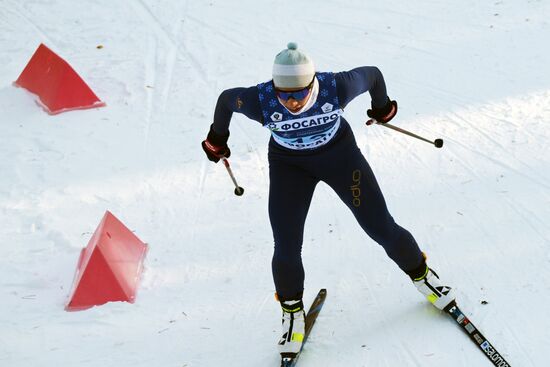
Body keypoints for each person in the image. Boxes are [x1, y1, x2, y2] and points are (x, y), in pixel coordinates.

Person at [201, 42, 455, 361]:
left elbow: (373, 75)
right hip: (289, 167)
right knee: (286, 244)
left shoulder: (337, 87)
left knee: (381, 227)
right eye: (284, 93)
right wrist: (217, 139)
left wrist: (382, 107)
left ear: (313, 83)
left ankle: (423, 276)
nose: (291, 101)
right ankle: (292, 311)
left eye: (299, 93)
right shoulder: (260, 100)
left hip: (340, 159)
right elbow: (227, 100)